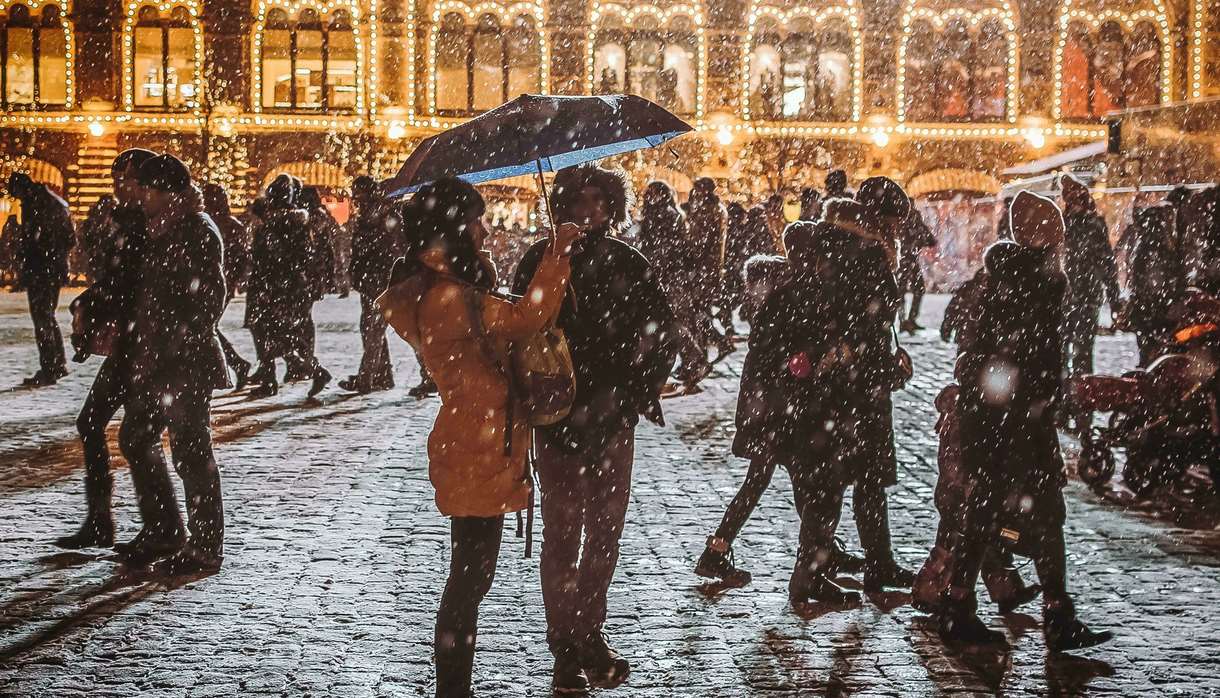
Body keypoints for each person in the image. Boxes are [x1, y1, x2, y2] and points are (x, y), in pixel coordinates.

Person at [378, 177, 580, 698]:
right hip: (477, 447)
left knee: (471, 575)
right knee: (469, 578)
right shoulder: (448, 297)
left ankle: (454, 686)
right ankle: (453, 689)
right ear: (454, 229)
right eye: (475, 221)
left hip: (475, 442)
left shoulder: (445, 291)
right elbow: (529, 317)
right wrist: (557, 255)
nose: (484, 230)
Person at [512, 164, 676, 693]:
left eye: (598, 199)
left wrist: (638, 390)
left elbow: (662, 333)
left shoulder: (629, 262)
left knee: (605, 533)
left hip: (611, 418)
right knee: (562, 533)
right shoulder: (539, 260)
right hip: (557, 418)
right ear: (561, 204)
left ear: (612, 206)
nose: (589, 209)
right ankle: (564, 644)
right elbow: (517, 331)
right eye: (579, 199)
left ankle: (589, 631)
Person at [939, 191, 1111, 651]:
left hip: (995, 414)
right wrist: (1042, 398)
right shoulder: (1037, 285)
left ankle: (964, 604)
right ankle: (1050, 612)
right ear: (1044, 239)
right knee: (1039, 510)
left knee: (990, 508)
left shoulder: (1002, 280)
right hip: (1015, 419)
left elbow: (987, 351)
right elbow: (1031, 357)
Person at [115, 154, 229, 575]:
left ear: (169, 192)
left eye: (148, 189)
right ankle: (164, 528)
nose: (141, 196)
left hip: (184, 361)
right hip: (157, 358)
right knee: (136, 436)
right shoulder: (161, 228)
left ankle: (205, 545)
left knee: (192, 452)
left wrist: (181, 335)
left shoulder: (196, 229)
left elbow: (210, 297)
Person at [53, 149, 158, 549]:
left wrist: (91, 304)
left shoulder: (145, 225)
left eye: (126, 178)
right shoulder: (127, 220)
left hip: (142, 345)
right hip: (130, 344)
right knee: (105, 426)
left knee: (135, 435)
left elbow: (127, 284)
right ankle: (109, 520)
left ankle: (153, 525)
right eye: (116, 177)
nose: (119, 185)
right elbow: (116, 280)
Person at [912, 381, 1042, 615]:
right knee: (950, 548)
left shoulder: (964, 414)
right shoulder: (964, 420)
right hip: (958, 498)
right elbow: (958, 467)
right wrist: (970, 490)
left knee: (987, 542)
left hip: (957, 496)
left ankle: (1007, 591)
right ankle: (926, 593)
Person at [843, 177, 916, 592]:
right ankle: (876, 561)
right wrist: (884, 365)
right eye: (894, 221)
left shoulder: (855, 250)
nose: (897, 230)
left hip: (858, 378)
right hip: (861, 382)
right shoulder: (868, 255)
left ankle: (871, 558)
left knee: (858, 475)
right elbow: (866, 324)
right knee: (867, 474)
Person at [246, 174, 332, 398]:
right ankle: (302, 370)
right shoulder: (297, 224)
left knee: (273, 333)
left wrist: (271, 278)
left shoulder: (274, 225)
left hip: (275, 285)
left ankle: (304, 371)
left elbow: (265, 257)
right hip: (285, 285)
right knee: (276, 332)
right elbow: (304, 255)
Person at [637, 181, 709, 389]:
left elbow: (662, 250)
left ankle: (694, 362)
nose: (651, 197)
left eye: (654, 194)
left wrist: (655, 268)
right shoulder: (673, 215)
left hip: (666, 277)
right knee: (674, 321)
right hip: (673, 277)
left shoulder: (661, 217)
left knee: (670, 322)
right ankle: (692, 362)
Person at [7, 172, 74, 387]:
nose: (17, 199)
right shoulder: (53, 201)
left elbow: (34, 240)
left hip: (42, 270)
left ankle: (50, 367)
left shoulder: (36, 203)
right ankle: (57, 363)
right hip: (51, 268)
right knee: (47, 317)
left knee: (42, 318)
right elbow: (69, 238)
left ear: (21, 189)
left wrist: (30, 262)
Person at [342, 175, 402, 393]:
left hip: (381, 280)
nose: (357, 199)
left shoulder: (383, 217)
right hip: (372, 280)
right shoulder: (372, 215)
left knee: (373, 330)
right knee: (371, 329)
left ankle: (366, 378)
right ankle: (382, 374)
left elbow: (390, 249)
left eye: (359, 194)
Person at [1059, 175, 1121, 381]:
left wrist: (1114, 298)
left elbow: (1107, 264)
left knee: (1076, 350)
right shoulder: (1073, 225)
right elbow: (1107, 263)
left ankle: (1074, 389)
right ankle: (1075, 388)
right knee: (1075, 351)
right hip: (1075, 295)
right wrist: (1113, 297)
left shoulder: (1070, 226)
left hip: (1079, 295)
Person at [203, 182, 253, 389]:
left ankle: (235, 365)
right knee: (209, 327)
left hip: (215, 284)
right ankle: (237, 364)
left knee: (208, 327)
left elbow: (240, 257)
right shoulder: (230, 225)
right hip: (220, 283)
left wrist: (232, 279)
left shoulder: (214, 224)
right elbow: (242, 257)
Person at [1125, 204, 1187, 366]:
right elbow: (1175, 279)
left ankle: (1149, 367)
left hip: (1148, 311)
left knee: (1148, 352)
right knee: (1160, 352)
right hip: (1160, 310)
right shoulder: (1166, 250)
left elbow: (1139, 281)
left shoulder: (1143, 250)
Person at [687, 177, 734, 360]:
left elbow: (701, 242)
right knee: (701, 311)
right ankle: (706, 350)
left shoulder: (708, 210)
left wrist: (694, 261)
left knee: (698, 312)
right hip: (711, 267)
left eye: (697, 189)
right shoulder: (718, 208)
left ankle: (710, 348)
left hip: (704, 268)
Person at [897, 208, 935, 334]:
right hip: (907, 261)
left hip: (904, 262)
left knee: (904, 291)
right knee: (912, 290)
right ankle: (908, 320)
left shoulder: (903, 221)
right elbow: (930, 240)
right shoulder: (912, 221)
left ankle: (905, 320)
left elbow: (930, 240)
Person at [77, 194, 118, 284]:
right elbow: (85, 241)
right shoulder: (92, 223)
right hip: (97, 262)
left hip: (105, 263)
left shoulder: (115, 223)